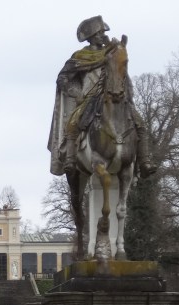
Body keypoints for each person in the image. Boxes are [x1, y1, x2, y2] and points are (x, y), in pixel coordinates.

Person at [48, 15, 157, 181]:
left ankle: (144, 162)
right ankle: (70, 160)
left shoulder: (112, 52)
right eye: (100, 33)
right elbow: (62, 78)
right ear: (91, 36)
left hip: (114, 96)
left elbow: (121, 72)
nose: (103, 35)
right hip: (89, 99)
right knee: (72, 124)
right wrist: (76, 93)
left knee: (140, 124)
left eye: (103, 32)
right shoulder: (80, 56)